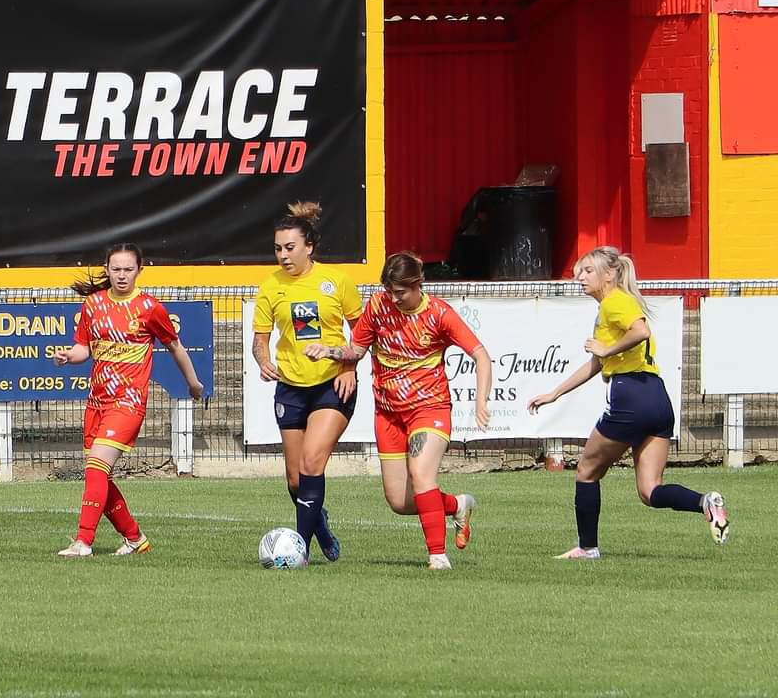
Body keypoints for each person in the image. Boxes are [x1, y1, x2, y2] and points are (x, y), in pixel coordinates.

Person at [527, 246, 729, 559]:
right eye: (579, 271)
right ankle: (706, 502)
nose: (579, 277)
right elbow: (598, 362)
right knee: (650, 491)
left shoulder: (614, 302)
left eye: (588, 271)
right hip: (657, 398)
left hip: (630, 396)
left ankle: (587, 548)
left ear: (609, 275)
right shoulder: (616, 304)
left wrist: (607, 351)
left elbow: (640, 331)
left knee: (586, 470)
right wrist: (555, 393)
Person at [305, 251, 491, 570]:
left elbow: (481, 355)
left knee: (421, 475)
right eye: (390, 291)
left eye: (400, 292)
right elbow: (357, 351)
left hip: (429, 407)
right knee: (400, 502)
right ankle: (458, 505)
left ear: (418, 285)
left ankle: (437, 556)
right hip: (388, 413)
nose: (394, 298)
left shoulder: (439, 314)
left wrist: (481, 401)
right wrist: (330, 352)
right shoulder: (378, 306)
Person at [53, 243, 203, 557]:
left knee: (95, 468)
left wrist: (193, 383)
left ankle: (83, 542)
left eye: (128, 269)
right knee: (99, 474)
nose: (122, 276)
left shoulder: (150, 308)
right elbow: (84, 349)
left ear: (139, 270)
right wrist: (69, 355)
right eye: (116, 269)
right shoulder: (93, 305)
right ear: (107, 269)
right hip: (97, 403)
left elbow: (175, 347)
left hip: (129, 402)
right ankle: (135, 539)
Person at [251, 201, 362, 563]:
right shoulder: (270, 287)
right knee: (296, 479)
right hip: (291, 387)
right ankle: (321, 527)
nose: (283, 255)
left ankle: (300, 549)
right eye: (278, 248)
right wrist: (265, 361)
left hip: (333, 383)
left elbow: (362, 333)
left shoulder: (338, 282)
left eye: (290, 247)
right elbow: (260, 340)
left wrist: (347, 365)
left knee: (313, 462)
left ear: (309, 246)